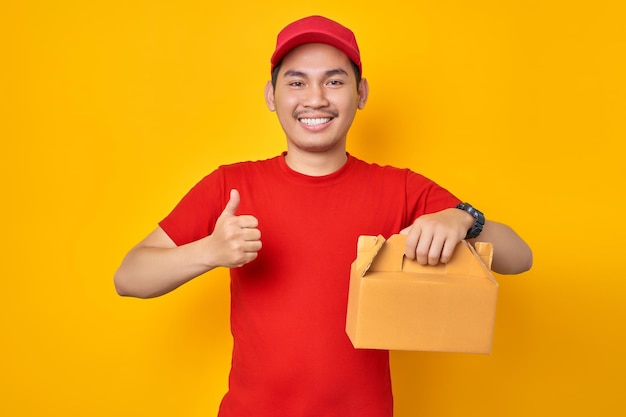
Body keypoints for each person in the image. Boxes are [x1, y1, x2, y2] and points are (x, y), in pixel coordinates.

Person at [114, 15, 532, 417]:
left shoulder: (401, 189)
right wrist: (208, 251)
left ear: (361, 93)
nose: (316, 98)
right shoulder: (231, 188)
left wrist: (462, 219)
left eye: (334, 81)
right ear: (270, 95)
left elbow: (519, 257)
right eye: (297, 82)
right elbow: (129, 276)